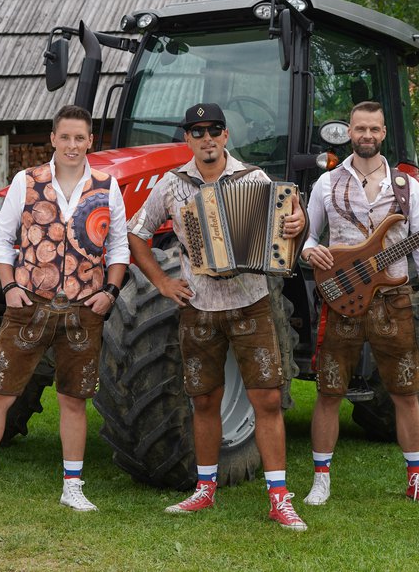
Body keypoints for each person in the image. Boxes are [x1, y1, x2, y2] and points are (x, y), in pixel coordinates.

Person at [126, 102, 309, 531]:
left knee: (266, 398)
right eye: (197, 131)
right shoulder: (172, 184)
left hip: (251, 302)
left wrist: (297, 224)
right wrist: (163, 283)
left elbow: (288, 236)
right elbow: (136, 233)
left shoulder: (256, 180)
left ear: (226, 136)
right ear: (187, 138)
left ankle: (279, 497)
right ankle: (204, 490)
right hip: (199, 308)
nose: (207, 138)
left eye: (214, 130)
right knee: (204, 399)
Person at [0, 105, 129, 513]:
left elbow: (118, 247)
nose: (72, 145)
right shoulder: (26, 182)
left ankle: (73, 486)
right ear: (53, 139)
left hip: (84, 310)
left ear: (90, 142)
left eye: (80, 138)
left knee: (74, 398)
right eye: (65, 137)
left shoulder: (106, 185)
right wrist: (9, 286)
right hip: (29, 306)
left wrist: (110, 293)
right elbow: (0, 238)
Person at [300, 101, 419, 508]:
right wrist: (312, 253)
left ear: (383, 133)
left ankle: (416, 479)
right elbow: (308, 238)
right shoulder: (327, 184)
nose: (367, 135)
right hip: (341, 298)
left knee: (405, 391)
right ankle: (321, 478)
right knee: (329, 391)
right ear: (349, 131)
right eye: (360, 128)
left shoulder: (406, 186)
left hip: (393, 301)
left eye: (374, 129)